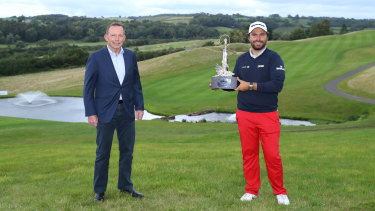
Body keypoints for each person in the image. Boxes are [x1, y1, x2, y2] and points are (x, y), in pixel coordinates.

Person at [210, 21, 289, 205]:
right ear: (249, 38)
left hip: (267, 114)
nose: (258, 38)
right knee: (249, 154)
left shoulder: (274, 58)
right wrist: (220, 85)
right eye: (254, 35)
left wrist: (251, 86)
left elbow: (277, 85)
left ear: (267, 37)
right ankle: (251, 189)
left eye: (262, 34)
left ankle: (280, 191)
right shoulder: (242, 60)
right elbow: (236, 84)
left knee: (272, 155)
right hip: (245, 114)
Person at [83, 22, 144, 202]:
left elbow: (135, 83)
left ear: (124, 38)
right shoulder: (96, 57)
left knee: (127, 151)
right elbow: (88, 88)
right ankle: (99, 191)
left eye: (120, 36)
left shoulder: (131, 56)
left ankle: (125, 185)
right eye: (113, 35)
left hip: (126, 110)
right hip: (104, 113)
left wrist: (139, 106)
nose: (117, 39)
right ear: (106, 37)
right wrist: (91, 112)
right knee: (103, 153)